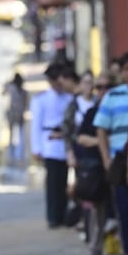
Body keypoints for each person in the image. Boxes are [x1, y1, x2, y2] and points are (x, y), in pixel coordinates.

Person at [94, 51, 128, 255]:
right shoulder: (112, 96)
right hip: (119, 162)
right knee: (125, 212)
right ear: (121, 73)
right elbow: (101, 130)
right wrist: (106, 159)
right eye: (127, 69)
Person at [73, 73, 114, 255]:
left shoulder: (121, 108)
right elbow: (81, 137)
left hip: (120, 167)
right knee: (96, 214)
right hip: (96, 171)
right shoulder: (92, 112)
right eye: (99, 88)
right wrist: (102, 141)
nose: (103, 91)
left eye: (107, 87)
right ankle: (94, 252)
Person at [31, 62, 74, 228]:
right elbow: (36, 125)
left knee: (64, 183)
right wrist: (37, 148)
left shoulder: (69, 98)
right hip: (49, 142)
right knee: (52, 183)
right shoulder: (41, 99)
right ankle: (53, 217)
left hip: (65, 141)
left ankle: (63, 214)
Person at [4, 72, 29, 163]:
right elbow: (27, 105)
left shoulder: (11, 89)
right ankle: (19, 154)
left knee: (11, 135)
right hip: (20, 114)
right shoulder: (24, 92)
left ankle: (11, 153)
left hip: (12, 114)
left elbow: (4, 88)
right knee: (21, 135)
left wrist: (10, 82)